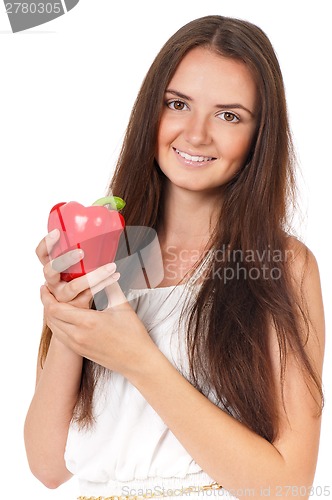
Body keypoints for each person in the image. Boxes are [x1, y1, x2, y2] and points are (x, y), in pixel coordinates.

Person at [24, 15, 325, 500]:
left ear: (259, 137)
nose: (197, 134)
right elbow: (47, 466)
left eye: (229, 115)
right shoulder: (104, 252)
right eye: (178, 104)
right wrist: (67, 318)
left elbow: (286, 489)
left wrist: (139, 359)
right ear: (152, 110)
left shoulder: (283, 265)